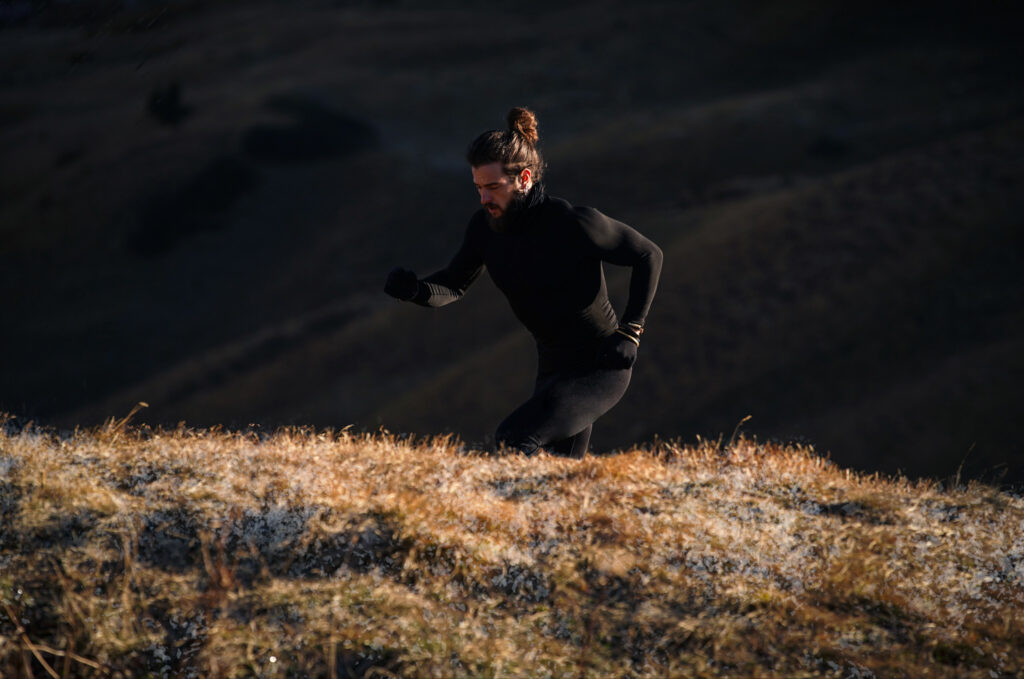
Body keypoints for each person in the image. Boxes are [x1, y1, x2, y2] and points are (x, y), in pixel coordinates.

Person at [384, 107, 662, 456]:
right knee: (555, 477)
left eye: (493, 187)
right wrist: (416, 290)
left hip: (599, 367)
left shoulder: (574, 224)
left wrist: (631, 332)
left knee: (514, 441)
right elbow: (453, 286)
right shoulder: (484, 228)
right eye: (478, 188)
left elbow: (649, 255)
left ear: (524, 178)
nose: (484, 198)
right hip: (551, 370)